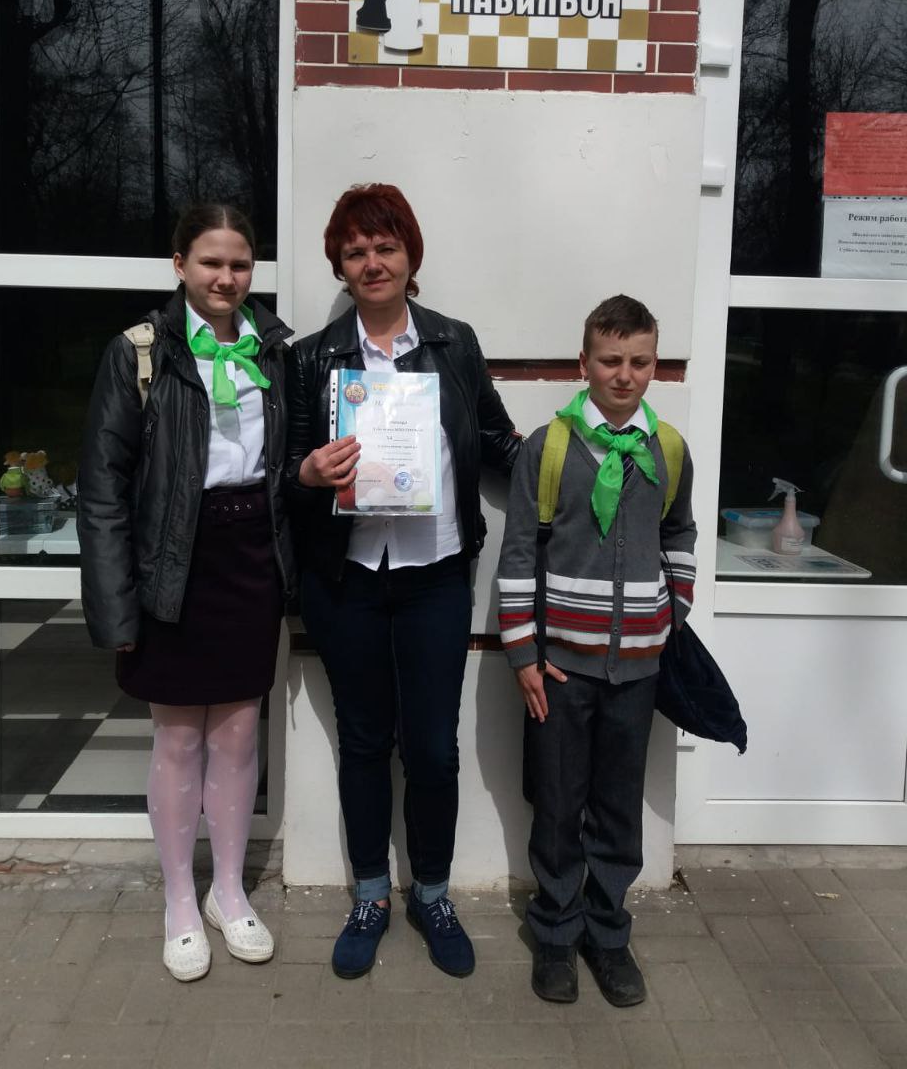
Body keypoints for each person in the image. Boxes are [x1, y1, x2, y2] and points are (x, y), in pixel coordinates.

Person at [285, 183, 520, 980]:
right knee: (362, 741)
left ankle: (434, 894)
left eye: (385, 247)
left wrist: (562, 460)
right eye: (355, 251)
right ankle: (369, 896)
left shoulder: (454, 342)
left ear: (410, 255)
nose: (372, 262)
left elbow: (493, 437)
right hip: (347, 577)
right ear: (340, 267)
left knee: (432, 749)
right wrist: (308, 473)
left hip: (435, 577)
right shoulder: (311, 358)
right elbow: (284, 473)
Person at [78, 203, 295, 983]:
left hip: (250, 557)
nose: (225, 277)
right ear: (180, 266)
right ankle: (179, 900)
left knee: (237, 736)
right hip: (171, 559)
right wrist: (116, 604)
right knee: (177, 739)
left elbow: (289, 463)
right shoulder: (138, 351)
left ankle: (228, 892)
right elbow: (102, 489)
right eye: (210, 262)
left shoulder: (276, 350)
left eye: (239, 264)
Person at [497, 295, 696, 1006]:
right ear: (584, 363)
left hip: (637, 668)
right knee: (556, 806)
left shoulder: (668, 449)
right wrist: (523, 652)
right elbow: (519, 551)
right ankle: (555, 931)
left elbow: (680, 532)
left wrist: (674, 608)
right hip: (560, 668)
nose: (624, 375)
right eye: (611, 361)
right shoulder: (549, 448)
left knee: (618, 806)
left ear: (655, 365)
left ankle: (608, 934)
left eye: (639, 362)